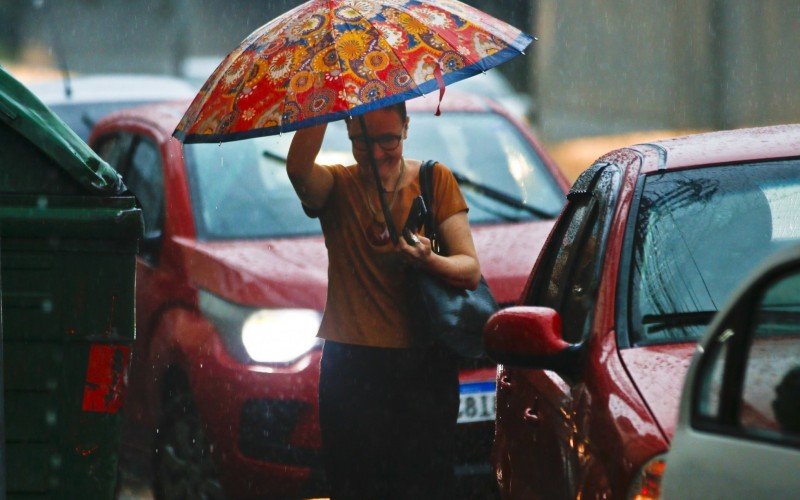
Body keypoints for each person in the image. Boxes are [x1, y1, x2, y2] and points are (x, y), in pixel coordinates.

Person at [286, 102, 481, 499]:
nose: (376, 152)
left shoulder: (433, 179)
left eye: (387, 139)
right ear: (348, 134)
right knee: (356, 486)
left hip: (423, 367)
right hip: (352, 367)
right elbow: (298, 169)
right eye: (362, 142)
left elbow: (469, 269)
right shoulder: (337, 186)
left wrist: (430, 259)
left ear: (407, 127)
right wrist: (327, 99)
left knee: (424, 487)